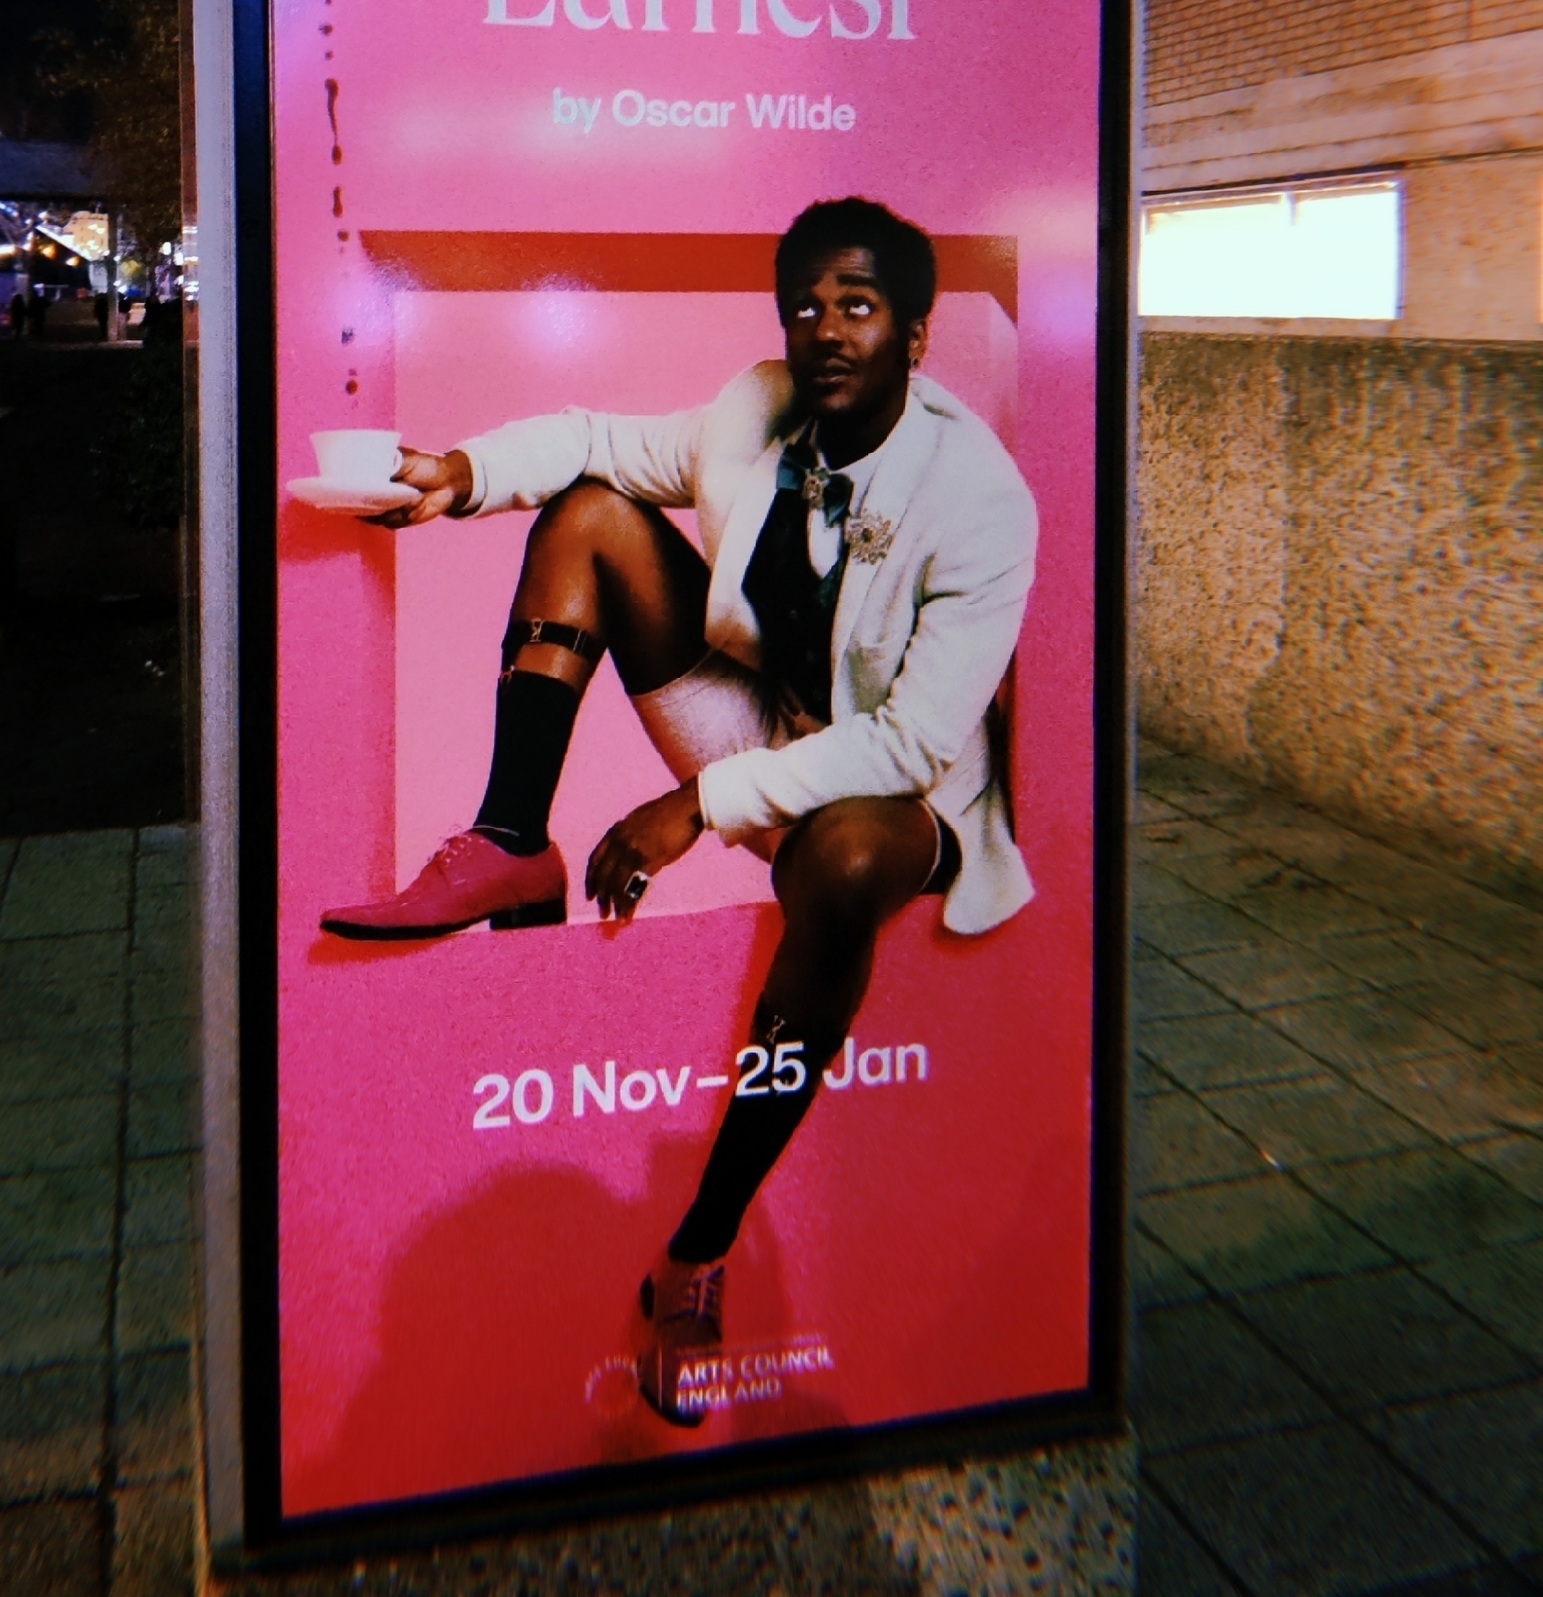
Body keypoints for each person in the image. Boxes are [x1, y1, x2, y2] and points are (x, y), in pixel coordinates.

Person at [320, 198, 1037, 1425]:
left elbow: (912, 740)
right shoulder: (758, 411)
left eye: (856, 306)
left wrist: (696, 802)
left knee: (848, 851)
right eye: (805, 305)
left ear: (915, 336)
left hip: (909, 791)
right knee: (590, 513)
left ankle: (697, 1251)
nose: (824, 331)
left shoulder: (979, 497)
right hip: (771, 719)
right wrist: (457, 474)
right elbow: (599, 437)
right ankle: (509, 841)